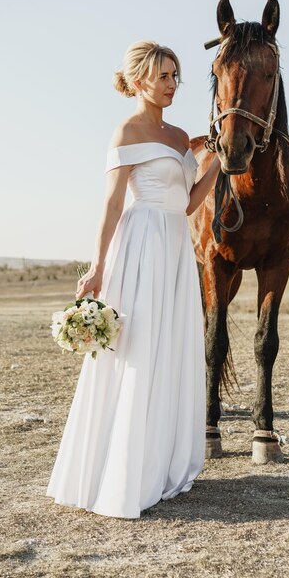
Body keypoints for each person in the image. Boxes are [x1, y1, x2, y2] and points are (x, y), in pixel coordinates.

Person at [46, 40, 221, 519]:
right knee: (138, 348)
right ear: (141, 78)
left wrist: (216, 164)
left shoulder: (181, 135)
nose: (172, 84)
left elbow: (188, 203)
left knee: (170, 346)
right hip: (140, 244)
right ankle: (123, 468)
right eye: (164, 76)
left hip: (175, 246)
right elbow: (112, 205)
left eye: (176, 76)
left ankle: (160, 459)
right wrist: (99, 266)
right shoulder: (127, 131)